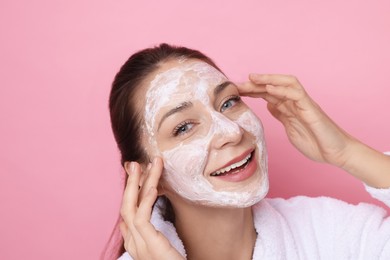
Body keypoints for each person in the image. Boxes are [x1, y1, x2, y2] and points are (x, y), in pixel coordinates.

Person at [106, 43, 390, 260]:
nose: (232, 131)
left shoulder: (331, 232)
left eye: (228, 103)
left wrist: (347, 152)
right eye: (183, 128)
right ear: (143, 175)